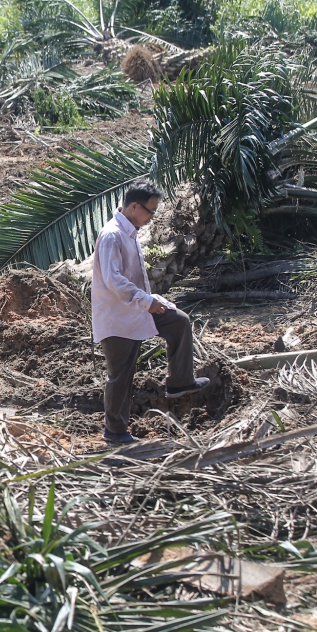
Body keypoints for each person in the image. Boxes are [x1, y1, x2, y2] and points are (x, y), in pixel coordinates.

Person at [92, 181, 210, 444]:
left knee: (178, 321)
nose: (152, 217)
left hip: (135, 310)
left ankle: (180, 381)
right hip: (116, 317)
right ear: (134, 206)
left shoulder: (129, 232)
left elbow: (133, 278)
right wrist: (146, 301)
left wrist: (152, 299)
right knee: (121, 376)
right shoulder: (112, 235)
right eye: (150, 211)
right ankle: (115, 431)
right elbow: (114, 280)